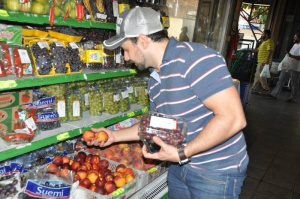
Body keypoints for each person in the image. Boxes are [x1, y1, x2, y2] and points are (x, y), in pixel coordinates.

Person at [87, 7, 248, 199]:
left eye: (126, 50)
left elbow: (233, 118)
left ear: (143, 41)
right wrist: (114, 135)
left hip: (214, 173)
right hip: (179, 168)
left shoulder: (196, 59)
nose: (127, 58)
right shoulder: (155, 78)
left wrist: (183, 152)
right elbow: (155, 126)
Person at [270, 33, 300, 102]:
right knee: (281, 80)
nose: (294, 39)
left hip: (294, 68)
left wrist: (291, 55)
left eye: (295, 37)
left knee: (294, 83)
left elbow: (299, 57)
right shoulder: (294, 44)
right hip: (287, 66)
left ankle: (292, 98)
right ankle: (274, 94)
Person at [250, 30, 274, 94]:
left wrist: (267, 60)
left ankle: (266, 89)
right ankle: (253, 88)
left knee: (260, 75)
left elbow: (270, 51)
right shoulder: (264, 42)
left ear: (266, 34)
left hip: (264, 61)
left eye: (263, 33)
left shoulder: (269, 41)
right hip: (261, 61)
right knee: (257, 75)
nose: (262, 35)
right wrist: (249, 50)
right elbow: (257, 50)